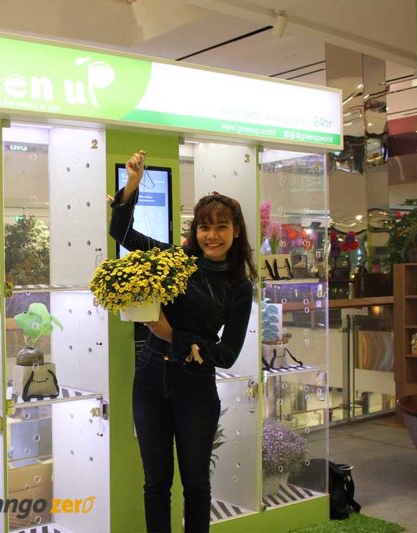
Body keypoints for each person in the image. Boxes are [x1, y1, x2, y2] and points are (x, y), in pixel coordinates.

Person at [110, 151, 256, 533]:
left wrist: (175, 336)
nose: (211, 236)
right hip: (149, 382)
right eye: (204, 228)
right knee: (155, 484)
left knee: (196, 485)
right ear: (195, 232)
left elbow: (226, 353)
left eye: (221, 227)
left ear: (236, 231)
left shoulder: (239, 287)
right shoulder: (175, 261)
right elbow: (122, 235)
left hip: (195, 387)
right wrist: (133, 184)